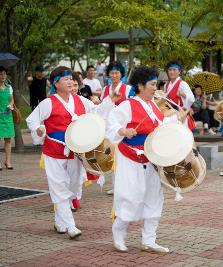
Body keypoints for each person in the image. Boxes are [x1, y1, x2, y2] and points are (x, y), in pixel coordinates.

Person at [26, 66, 119, 239]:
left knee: (73, 186)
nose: (70, 82)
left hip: (75, 151)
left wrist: (108, 101)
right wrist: (38, 128)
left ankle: (59, 221)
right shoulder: (48, 103)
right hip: (54, 151)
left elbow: (96, 112)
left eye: (71, 78)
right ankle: (70, 225)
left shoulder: (80, 101)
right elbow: (32, 119)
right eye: (65, 79)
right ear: (55, 83)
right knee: (59, 187)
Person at [106, 66, 171, 253]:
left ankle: (149, 240)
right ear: (141, 86)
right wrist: (123, 131)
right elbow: (111, 124)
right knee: (131, 197)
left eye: (156, 84)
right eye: (152, 84)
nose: (155, 88)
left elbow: (161, 128)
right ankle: (119, 235)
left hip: (151, 159)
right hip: (130, 157)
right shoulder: (127, 105)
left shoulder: (154, 107)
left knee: (154, 197)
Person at [101, 61, 132, 195]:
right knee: (111, 155)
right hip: (109, 126)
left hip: (123, 126)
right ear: (108, 74)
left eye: (117, 73)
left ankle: (126, 185)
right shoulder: (105, 89)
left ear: (121, 74)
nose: (114, 75)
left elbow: (132, 106)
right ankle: (115, 186)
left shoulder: (128, 89)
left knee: (123, 155)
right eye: (112, 73)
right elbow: (102, 107)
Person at [163, 60, 195, 131]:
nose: (171, 72)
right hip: (169, 114)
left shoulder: (183, 84)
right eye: (170, 69)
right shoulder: (166, 85)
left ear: (179, 71)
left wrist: (184, 95)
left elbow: (192, 98)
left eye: (174, 70)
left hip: (180, 114)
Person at [0, 66, 15, 171]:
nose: (3, 76)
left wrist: (11, 105)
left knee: (8, 139)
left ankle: (8, 161)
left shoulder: (9, 87)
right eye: (0, 74)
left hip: (8, 116)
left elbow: (12, 100)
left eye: (4, 74)